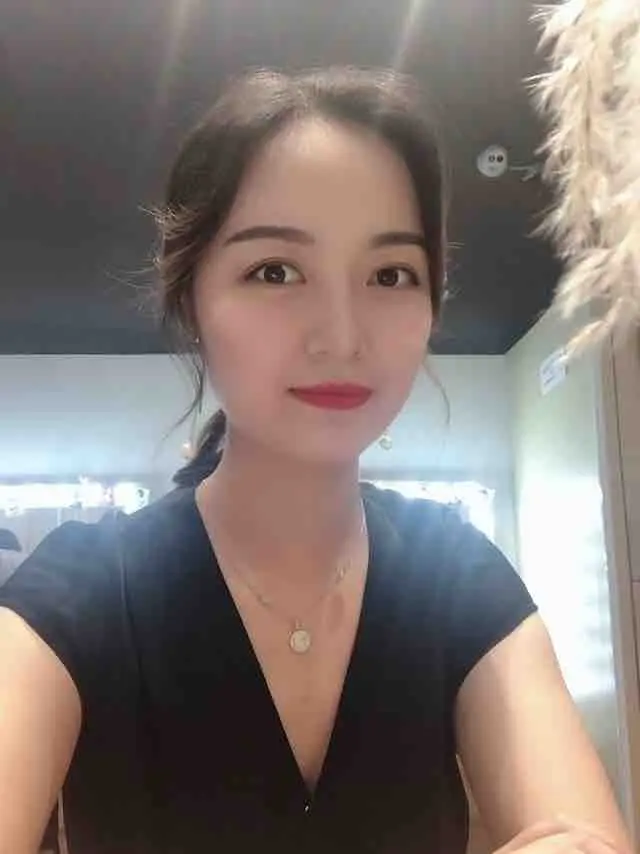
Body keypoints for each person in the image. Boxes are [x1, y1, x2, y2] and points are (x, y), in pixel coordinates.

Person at [0, 68, 633, 854]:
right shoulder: (86, 586)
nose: (341, 335)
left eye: (390, 274)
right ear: (191, 300)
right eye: (275, 270)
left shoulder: (453, 570)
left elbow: (576, 831)